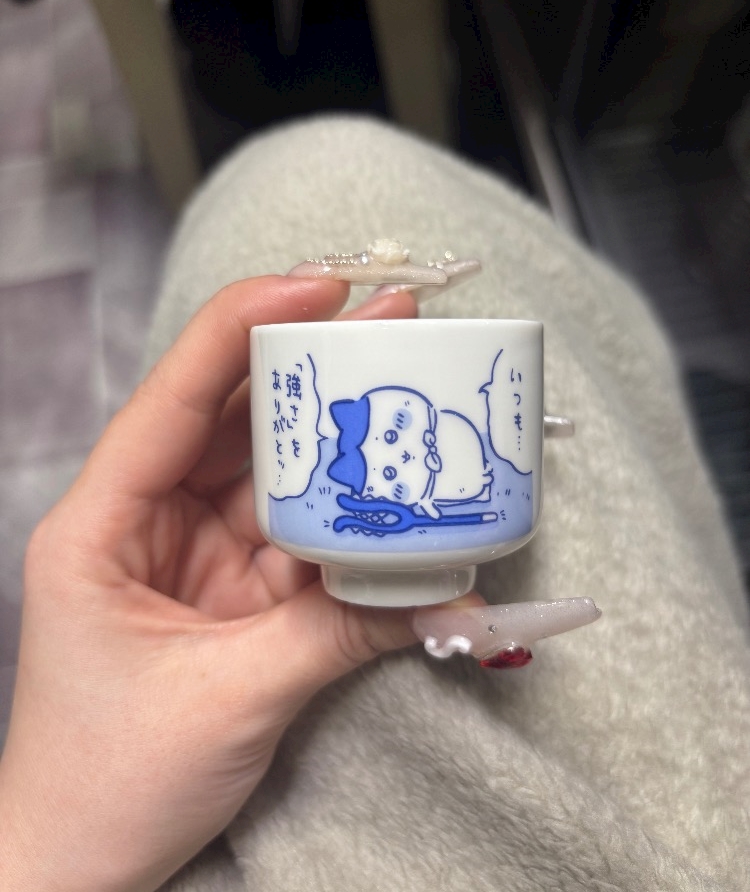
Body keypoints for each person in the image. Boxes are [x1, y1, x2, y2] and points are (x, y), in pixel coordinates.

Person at [1, 116, 748, 892]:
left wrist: (32, 849)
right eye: (396, 457)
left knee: (316, 167)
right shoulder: (405, 498)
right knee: (343, 165)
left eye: (411, 435)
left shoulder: (454, 471)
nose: (416, 454)